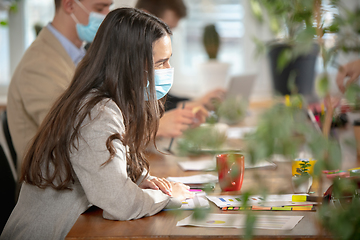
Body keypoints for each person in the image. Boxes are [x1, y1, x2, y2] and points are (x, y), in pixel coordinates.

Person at [0, 8, 193, 240]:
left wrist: (143, 180)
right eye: (161, 63)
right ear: (130, 65)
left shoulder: (114, 103)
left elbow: (115, 163)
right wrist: (172, 197)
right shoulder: (97, 112)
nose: (168, 71)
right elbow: (119, 203)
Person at [7, 0, 113, 174]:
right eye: (100, 8)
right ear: (69, 5)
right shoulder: (40, 64)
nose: (107, 15)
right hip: (52, 190)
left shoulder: (78, 56)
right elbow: (72, 138)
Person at [135, 0, 226, 138]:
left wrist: (197, 102)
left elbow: (163, 103)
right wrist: (156, 127)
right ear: (144, 16)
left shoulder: (149, 62)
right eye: (165, 29)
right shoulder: (119, 64)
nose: (168, 37)